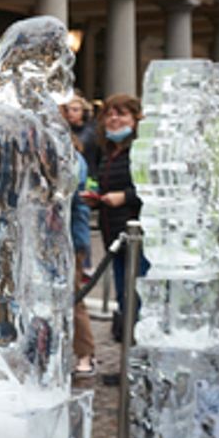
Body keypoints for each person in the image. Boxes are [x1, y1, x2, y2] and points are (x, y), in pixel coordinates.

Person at [83, 93, 148, 344]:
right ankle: (129, 364)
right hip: (116, 238)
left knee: (137, 301)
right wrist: (97, 197)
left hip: (138, 239)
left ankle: (138, 365)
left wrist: (125, 197)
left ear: (135, 118)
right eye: (109, 114)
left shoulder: (142, 150)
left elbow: (154, 188)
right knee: (125, 299)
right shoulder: (108, 150)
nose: (113, 119)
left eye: (120, 114)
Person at [68, 134, 96, 377]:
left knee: (75, 298)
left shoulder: (74, 160)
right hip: (44, 238)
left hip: (69, 239)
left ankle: (85, 353)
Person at [64, 92, 99, 176]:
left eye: (75, 110)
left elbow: (80, 145)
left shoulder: (90, 129)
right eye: (67, 110)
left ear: (84, 112)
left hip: (88, 175)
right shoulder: (66, 128)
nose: (70, 113)